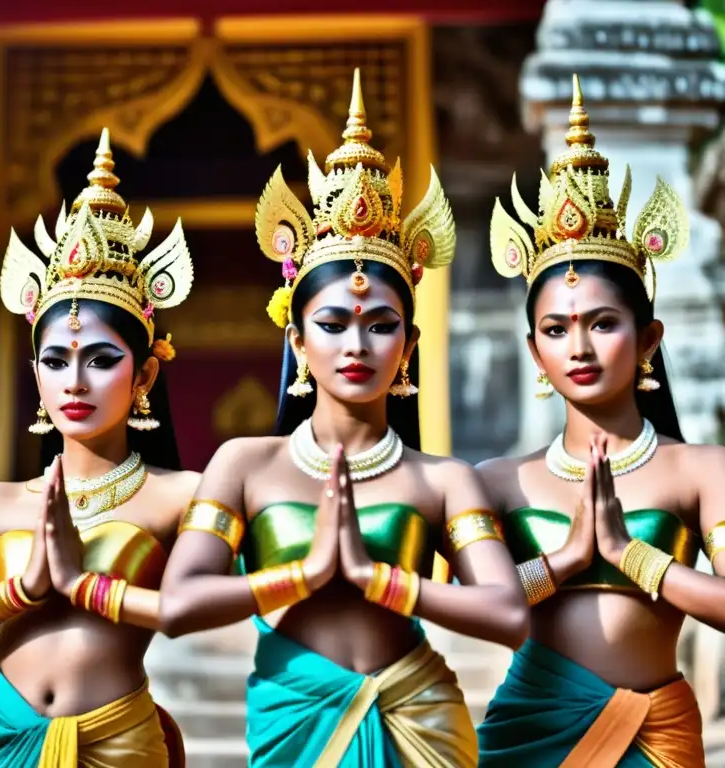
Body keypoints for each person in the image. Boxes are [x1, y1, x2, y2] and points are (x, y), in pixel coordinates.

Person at [158, 69, 529, 767]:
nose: (356, 345)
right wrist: (301, 576)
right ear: (297, 342)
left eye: (381, 325)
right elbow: (179, 603)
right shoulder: (246, 463)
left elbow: (508, 614)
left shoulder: (443, 479)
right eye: (332, 323)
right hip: (298, 718)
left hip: (418, 716)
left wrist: (376, 578)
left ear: (409, 346)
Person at [0, 128, 197, 767]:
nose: (74, 381)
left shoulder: (179, 496)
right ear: (35, 375)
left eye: (102, 360)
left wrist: (85, 585)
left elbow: (199, 610)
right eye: (55, 360)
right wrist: (19, 591)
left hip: (116, 739)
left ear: (143, 376)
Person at [477, 74, 716, 767]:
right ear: (533, 351)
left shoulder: (698, 470)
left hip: (655, 736)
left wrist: (631, 556)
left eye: (603, 324)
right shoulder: (499, 482)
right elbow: (463, 607)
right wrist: (564, 562)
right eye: (556, 329)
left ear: (648, 340)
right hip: (531, 734)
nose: (578, 347)